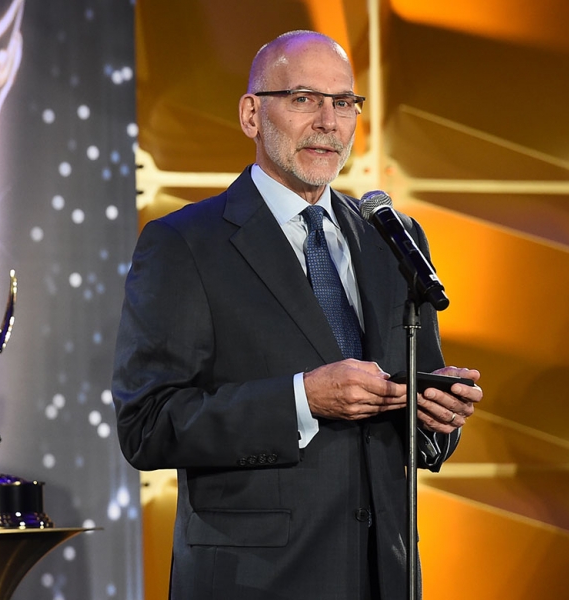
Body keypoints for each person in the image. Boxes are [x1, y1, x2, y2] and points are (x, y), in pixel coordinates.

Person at [112, 30, 482, 600]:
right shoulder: (183, 243)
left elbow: (413, 407)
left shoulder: (394, 239)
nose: (328, 122)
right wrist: (300, 399)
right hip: (255, 581)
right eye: (304, 98)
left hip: (384, 574)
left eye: (344, 103)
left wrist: (437, 415)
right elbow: (148, 426)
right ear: (252, 115)